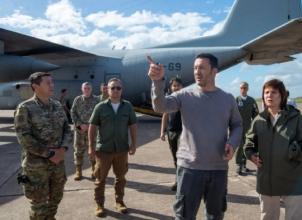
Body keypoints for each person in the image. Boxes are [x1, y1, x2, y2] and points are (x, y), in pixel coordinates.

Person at [148, 53, 242, 220]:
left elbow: (237, 125)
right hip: (189, 169)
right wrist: (157, 82)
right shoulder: (184, 95)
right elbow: (160, 106)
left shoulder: (228, 99)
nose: (197, 72)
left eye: (202, 68)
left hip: (218, 169)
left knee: (216, 215)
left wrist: (232, 143)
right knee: (184, 215)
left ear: (214, 71)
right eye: (195, 68)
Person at [244, 79, 302, 220]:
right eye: (266, 92)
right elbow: (249, 142)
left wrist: (292, 151)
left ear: (282, 95)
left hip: (295, 180)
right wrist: (251, 154)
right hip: (268, 180)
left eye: (274, 92)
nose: (269, 95)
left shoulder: (296, 118)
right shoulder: (259, 120)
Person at [14, 72, 72, 220]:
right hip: (36, 167)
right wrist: (50, 154)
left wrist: (63, 149)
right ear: (35, 86)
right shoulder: (25, 108)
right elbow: (24, 137)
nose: (52, 85)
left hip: (57, 164)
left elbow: (67, 128)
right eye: (48, 83)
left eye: (52, 82)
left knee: (55, 199)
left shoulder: (58, 105)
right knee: (39, 205)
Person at [88, 78, 137, 217]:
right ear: (107, 90)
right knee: (100, 179)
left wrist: (134, 143)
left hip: (121, 149)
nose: (115, 90)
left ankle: (119, 201)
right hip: (104, 150)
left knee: (121, 178)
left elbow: (132, 125)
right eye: (112, 88)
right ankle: (99, 204)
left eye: (118, 88)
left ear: (122, 90)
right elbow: (92, 127)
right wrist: (91, 147)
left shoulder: (127, 106)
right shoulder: (100, 107)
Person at [71, 82, 100, 181]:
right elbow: (73, 112)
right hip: (80, 130)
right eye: (85, 88)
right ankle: (78, 171)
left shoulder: (97, 100)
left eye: (88, 88)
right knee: (78, 150)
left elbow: (99, 114)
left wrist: (91, 125)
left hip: (92, 130)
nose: (87, 90)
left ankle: (94, 170)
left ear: (91, 89)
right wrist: (79, 124)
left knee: (93, 150)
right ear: (82, 89)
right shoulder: (77, 99)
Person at [160, 77, 183, 191]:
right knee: (175, 157)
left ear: (182, 87)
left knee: (181, 157)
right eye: (174, 85)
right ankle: (178, 179)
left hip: (182, 133)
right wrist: (162, 131)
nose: (176, 87)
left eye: (178, 85)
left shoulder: (185, 99)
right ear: (171, 87)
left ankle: (181, 181)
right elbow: (165, 116)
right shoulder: (168, 100)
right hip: (171, 132)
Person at [235, 81, 258, 175]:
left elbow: (256, 115)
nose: (243, 89)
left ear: (247, 89)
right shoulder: (236, 100)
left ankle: (244, 165)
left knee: (247, 147)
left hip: (248, 129)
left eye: (245, 88)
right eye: (241, 88)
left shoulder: (251, 100)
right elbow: (231, 114)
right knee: (240, 147)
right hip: (237, 128)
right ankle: (238, 165)